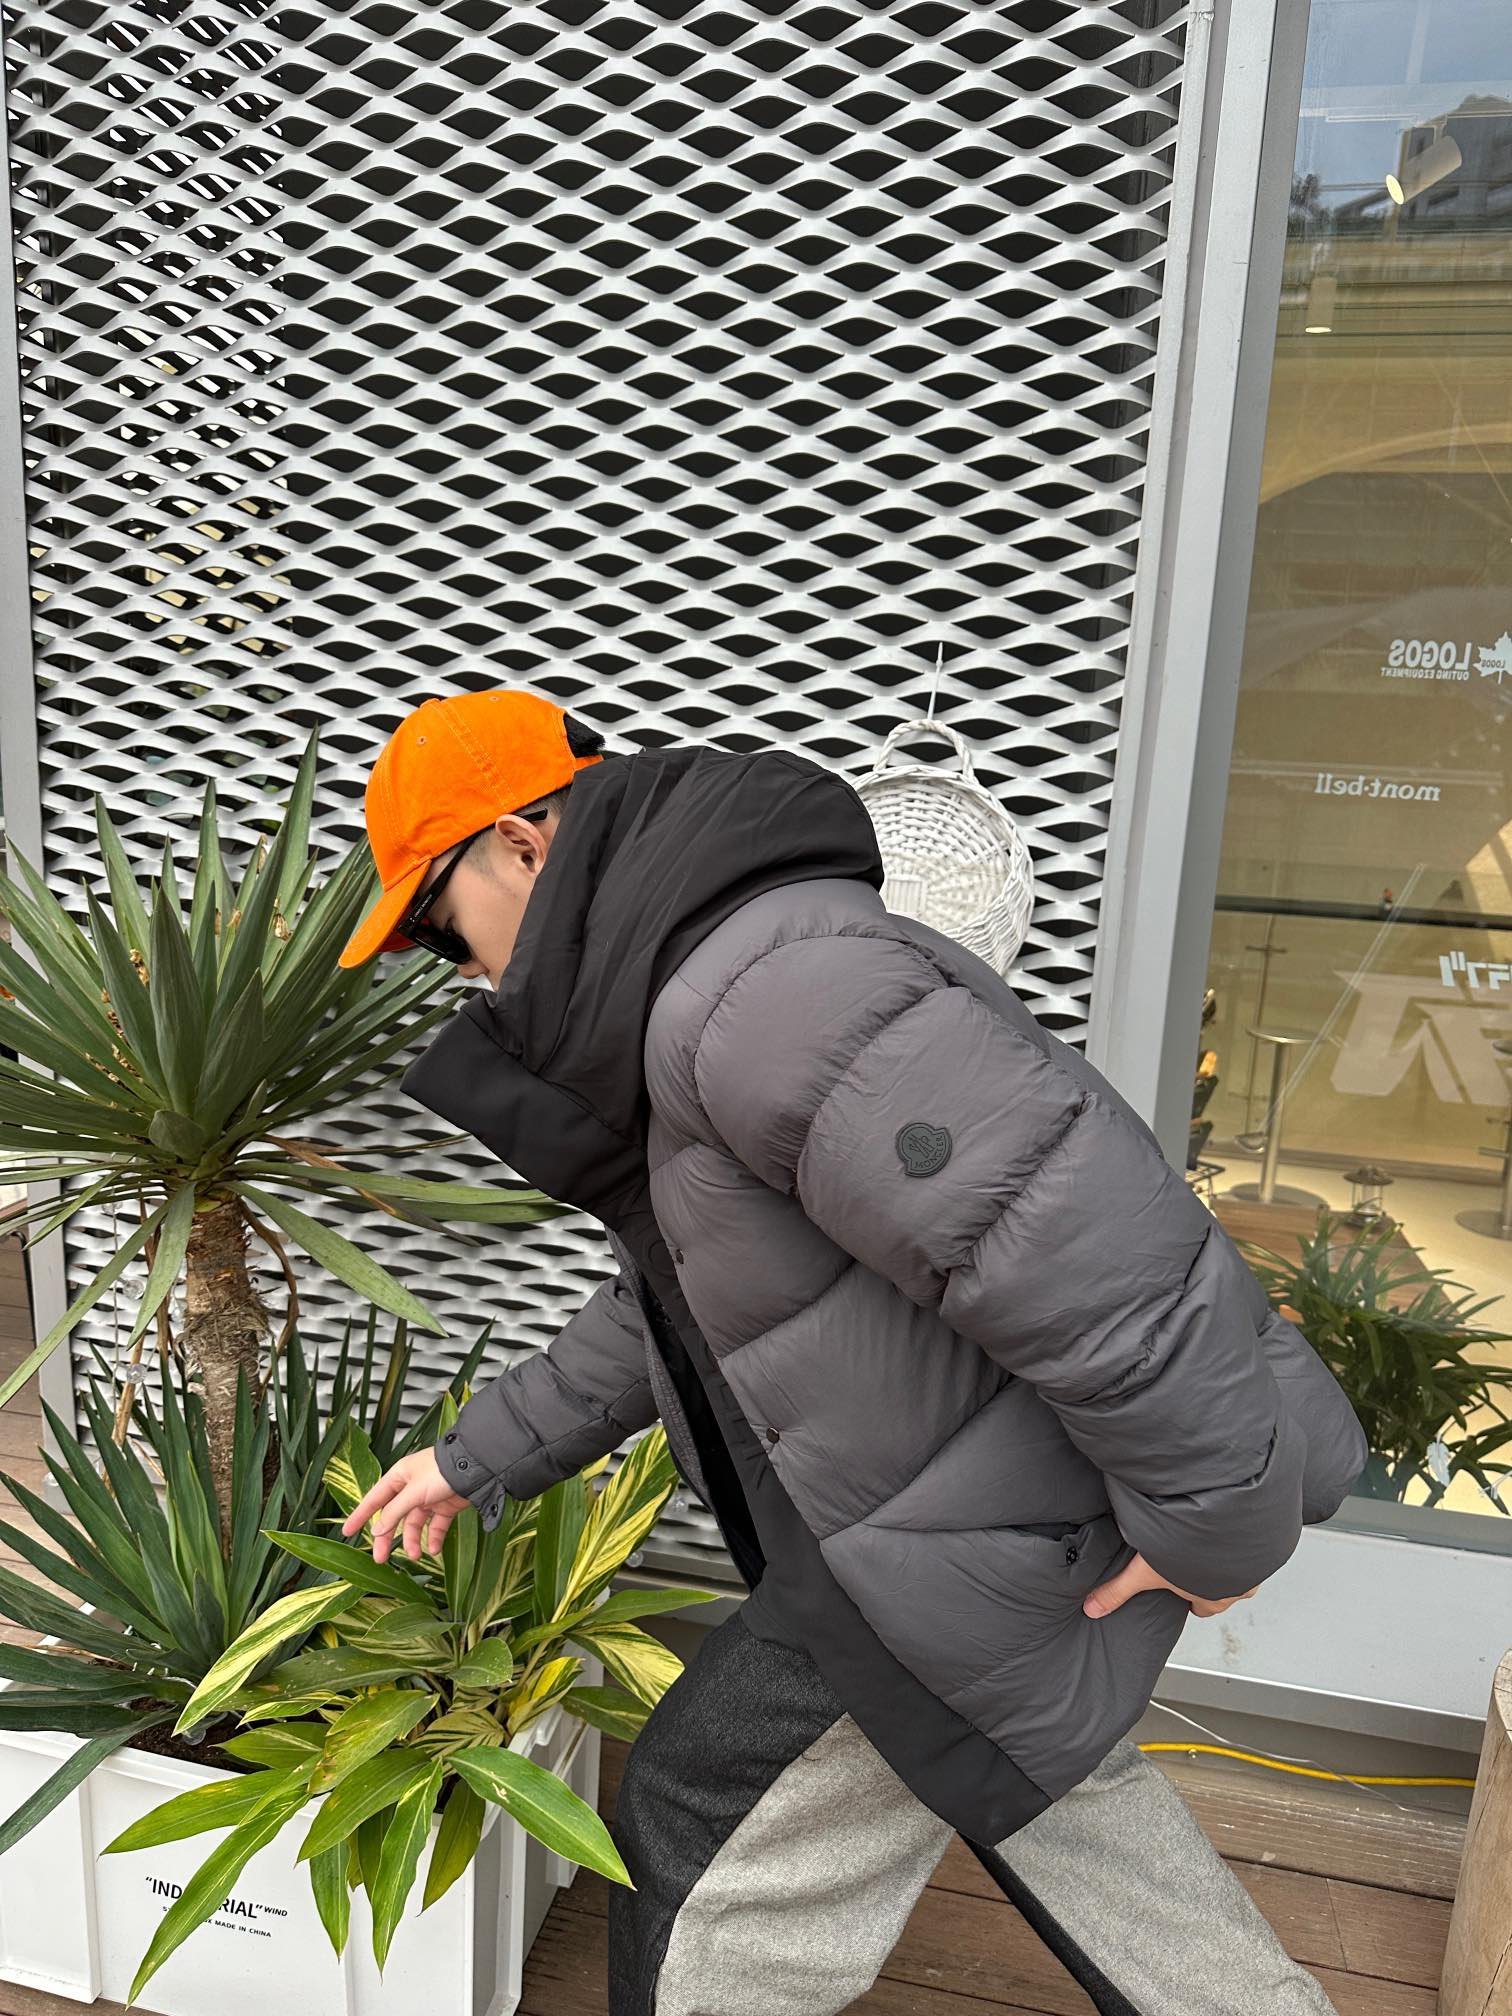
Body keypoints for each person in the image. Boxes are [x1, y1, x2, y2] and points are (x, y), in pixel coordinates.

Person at [338, 687, 1369, 2016]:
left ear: (522, 846)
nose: (457, 967)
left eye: (436, 923)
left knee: (699, 1819)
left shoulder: (765, 996)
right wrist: (475, 1457)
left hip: (955, 1540)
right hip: (969, 1519)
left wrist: (1217, 1524)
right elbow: (685, 1302)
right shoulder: (710, 986)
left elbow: (1093, 1263)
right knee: (1041, 1776)